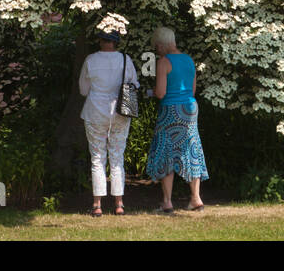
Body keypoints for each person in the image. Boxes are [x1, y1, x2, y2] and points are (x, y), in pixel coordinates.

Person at [145, 26, 207, 212]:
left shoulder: (164, 62)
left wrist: (151, 92)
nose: (157, 50)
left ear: (163, 45)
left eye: (157, 46)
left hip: (170, 110)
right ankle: (196, 199)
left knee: (166, 150)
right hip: (190, 108)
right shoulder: (189, 60)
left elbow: (161, 93)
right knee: (191, 149)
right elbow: (192, 90)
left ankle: (167, 202)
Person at [78, 30, 139, 217]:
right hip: (120, 113)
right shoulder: (125, 59)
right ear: (116, 41)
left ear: (100, 40)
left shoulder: (91, 60)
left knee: (97, 157)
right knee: (117, 157)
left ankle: (97, 205)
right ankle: (119, 204)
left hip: (95, 111)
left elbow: (83, 89)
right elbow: (134, 85)